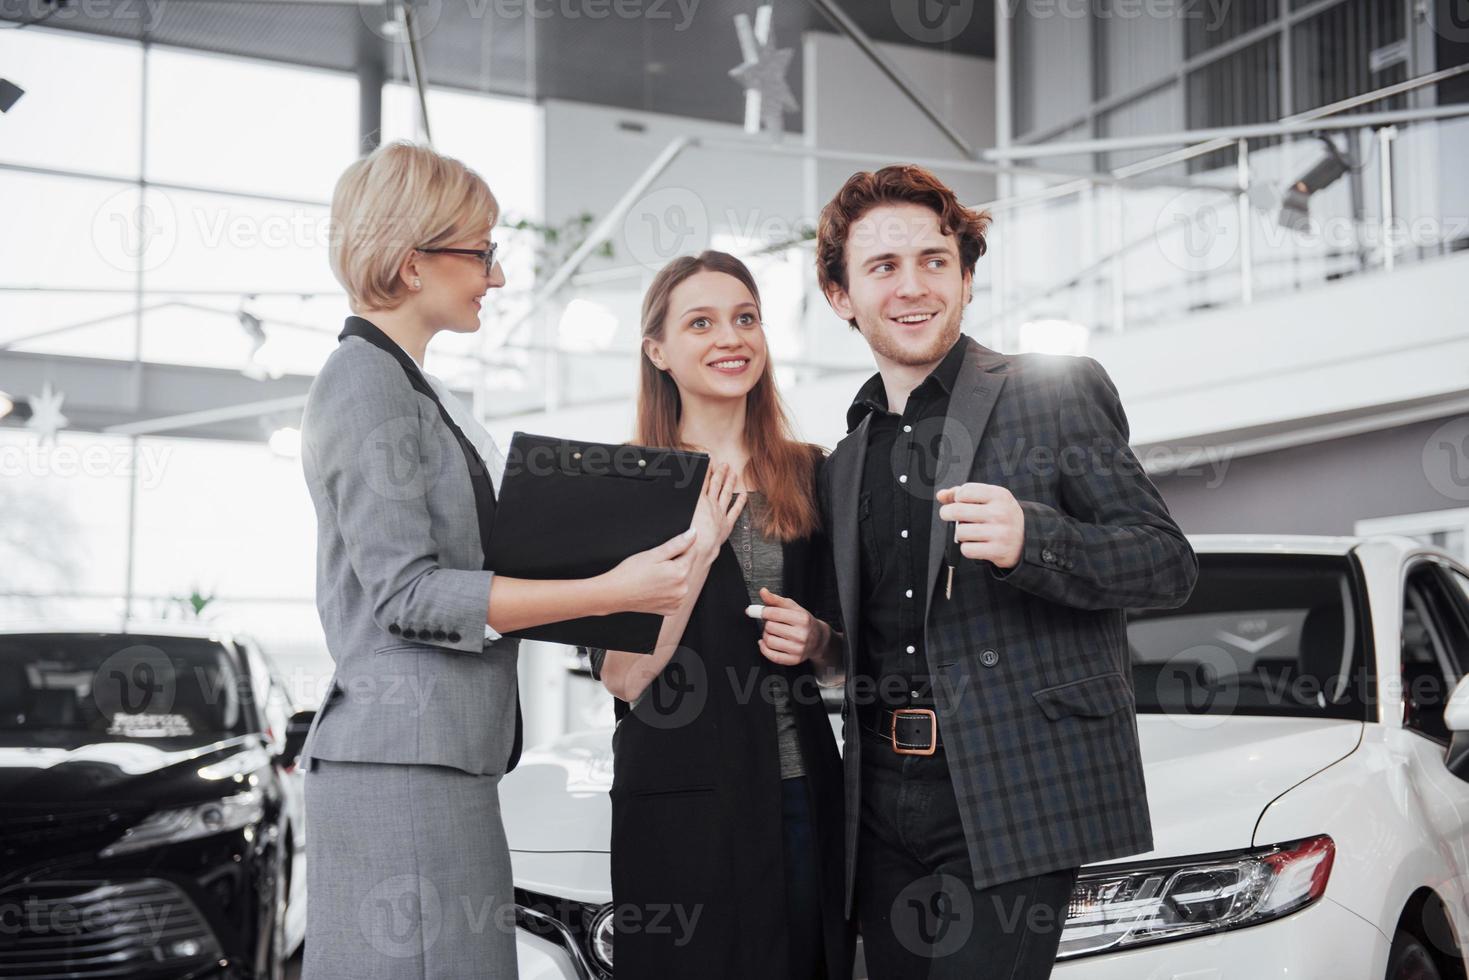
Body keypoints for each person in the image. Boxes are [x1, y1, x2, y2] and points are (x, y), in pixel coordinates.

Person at [298, 140, 699, 980]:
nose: (498, 275)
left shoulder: (410, 385)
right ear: (413, 264)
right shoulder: (364, 382)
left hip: (437, 759)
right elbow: (408, 594)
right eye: (481, 253)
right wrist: (603, 587)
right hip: (400, 766)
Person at [813, 165, 1199, 978]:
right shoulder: (843, 462)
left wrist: (1036, 539)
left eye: (933, 260)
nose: (912, 286)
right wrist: (823, 645)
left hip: (1007, 785)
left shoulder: (1048, 395)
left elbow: (1165, 563)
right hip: (875, 797)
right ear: (840, 296)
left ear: (965, 278)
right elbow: (881, 640)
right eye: (882, 267)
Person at [588, 251, 854, 980]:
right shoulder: (625, 483)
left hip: (799, 789)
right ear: (658, 351)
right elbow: (624, 677)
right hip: (682, 803)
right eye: (699, 323)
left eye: (745, 319)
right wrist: (699, 550)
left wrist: (819, 639)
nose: (729, 338)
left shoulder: (810, 472)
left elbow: (847, 653)